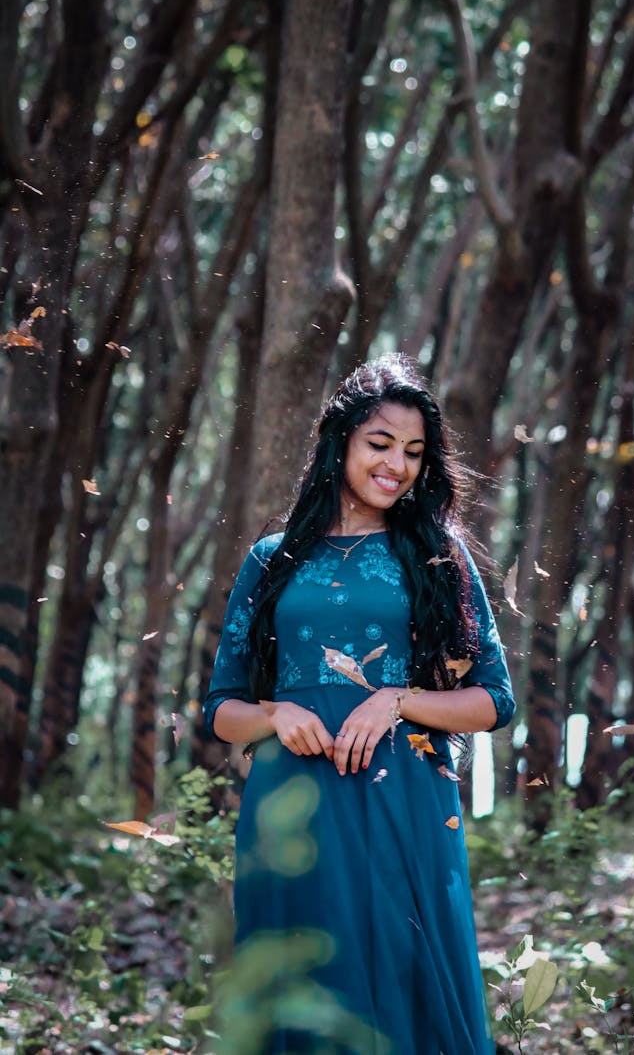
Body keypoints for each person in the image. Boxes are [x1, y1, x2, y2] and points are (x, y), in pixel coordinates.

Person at [203, 354, 515, 1054]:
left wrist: (398, 700)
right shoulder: (271, 560)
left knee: (404, 977)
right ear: (339, 440)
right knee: (300, 986)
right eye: (380, 443)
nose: (397, 465)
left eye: (414, 452)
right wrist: (275, 714)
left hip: (404, 797)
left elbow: (495, 699)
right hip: (292, 809)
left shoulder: (439, 556)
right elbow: (221, 706)